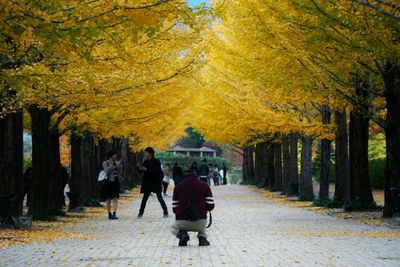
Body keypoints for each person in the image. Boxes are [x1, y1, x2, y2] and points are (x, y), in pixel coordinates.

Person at [171, 169, 215, 246]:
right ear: (197, 176)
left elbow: (174, 207)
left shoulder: (178, 186)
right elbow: (211, 205)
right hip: (200, 221)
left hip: (182, 221)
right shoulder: (204, 185)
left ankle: (182, 234)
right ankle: (202, 238)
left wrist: (180, 214)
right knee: (202, 223)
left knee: (172, 228)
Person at [137, 147, 168, 218]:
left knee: (159, 197)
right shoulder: (146, 161)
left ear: (150, 153)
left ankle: (165, 212)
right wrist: (139, 168)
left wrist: (146, 169)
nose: (145, 154)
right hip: (148, 182)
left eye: (146, 153)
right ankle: (140, 212)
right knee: (144, 198)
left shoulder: (156, 161)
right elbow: (142, 171)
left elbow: (156, 171)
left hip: (155, 182)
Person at [102, 151, 123, 220]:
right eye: (114, 155)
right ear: (111, 156)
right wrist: (112, 165)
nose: (115, 157)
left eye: (116, 156)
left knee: (115, 198)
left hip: (116, 181)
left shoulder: (117, 162)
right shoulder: (105, 162)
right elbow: (107, 171)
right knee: (108, 199)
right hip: (109, 182)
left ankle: (114, 214)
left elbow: (120, 172)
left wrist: (119, 166)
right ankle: (109, 214)